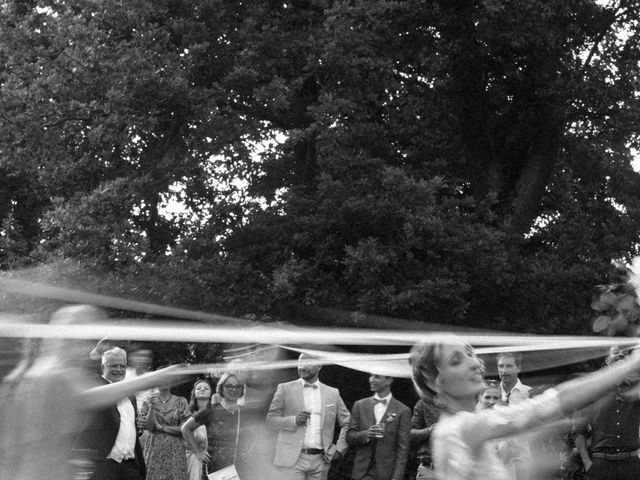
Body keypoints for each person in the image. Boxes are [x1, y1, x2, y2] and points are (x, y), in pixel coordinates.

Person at [409, 337, 640, 480]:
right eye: (456, 360)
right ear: (435, 382)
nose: (474, 362)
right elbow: (553, 402)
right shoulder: (460, 428)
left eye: (470, 353)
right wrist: (629, 365)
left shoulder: (464, 425)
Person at [265, 352, 350, 480]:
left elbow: (347, 422)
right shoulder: (284, 389)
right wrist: (293, 420)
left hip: (321, 460)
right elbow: (271, 420)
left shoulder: (332, 393)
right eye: (299, 364)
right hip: (292, 460)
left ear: (319, 365)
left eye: (307, 364)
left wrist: (339, 449)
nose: (301, 368)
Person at [571, 345, 640, 480]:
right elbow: (578, 431)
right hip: (601, 464)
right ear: (607, 360)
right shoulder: (592, 392)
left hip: (632, 464)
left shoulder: (637, 390)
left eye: (623, 355)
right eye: (615, 354)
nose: (619, 357)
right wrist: (587, 462)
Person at [182, 373, 253, 478]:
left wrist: (250, 451)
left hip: (239, 468)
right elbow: (185, 429)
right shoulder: (210, 410)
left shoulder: (246, 413)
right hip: (215, 469)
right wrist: (197, 452)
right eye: (229, 386)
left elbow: (256, 435)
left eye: (237, 386)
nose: (233, 389)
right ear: (221, 388)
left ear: (241, 389)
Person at [346, 373, 411, 480]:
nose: (371, 380)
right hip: (362, 474)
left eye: (376, 376)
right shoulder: (360, 405)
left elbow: (403, 449)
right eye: (370, 376)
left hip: (386, 474)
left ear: (388, 380)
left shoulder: (403, 410)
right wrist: (366, 434)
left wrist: (397, 477)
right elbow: (349, 437)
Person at [141, 381, 191, 480]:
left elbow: (186, 428)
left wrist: (161, 428)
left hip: (176, 450)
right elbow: (150, 428)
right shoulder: (147, 401)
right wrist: (152, 406)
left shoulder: (181, 401)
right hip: (154, 448)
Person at [184, 379, 212, 480]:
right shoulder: (188, 414)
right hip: (193, 458)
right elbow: (183, 438)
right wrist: (197, 451)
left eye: (206, 388)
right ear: (194, 393)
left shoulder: (216, 412)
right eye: (198, 388)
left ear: (211, 393)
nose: (202, 390)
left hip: (211, 457)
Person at [410, 397, 441, 480]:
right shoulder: (423, 403)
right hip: (428, 466)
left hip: (454, 469)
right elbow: (411, 434)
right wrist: (429, 430)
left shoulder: (462, 404)